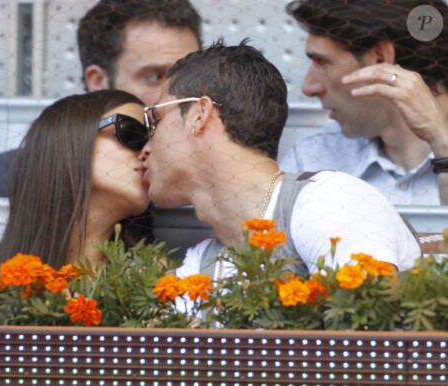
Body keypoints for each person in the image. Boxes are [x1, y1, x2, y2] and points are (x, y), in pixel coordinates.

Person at [140, 39, 421, 282]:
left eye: (155, 119)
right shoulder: (199, 265)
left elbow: (363, 338)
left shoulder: (328, 199)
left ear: (199, 114)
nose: (144, 147)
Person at [0, 0, 201, 197]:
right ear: (98, 81)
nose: (180, 95)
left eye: (189, 74)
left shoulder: (212, 169)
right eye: (154, 76)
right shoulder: (18, 174)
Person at [279, 0, 448, 205]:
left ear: (379, 59)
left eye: (322, 61)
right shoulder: (312, 160)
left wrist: (443, 146)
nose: (309, 88)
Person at [0, 90, 150, 267]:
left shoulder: (161, 282)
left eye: (154, 141)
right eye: (132, 133)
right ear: (72, 138)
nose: (149, 150)